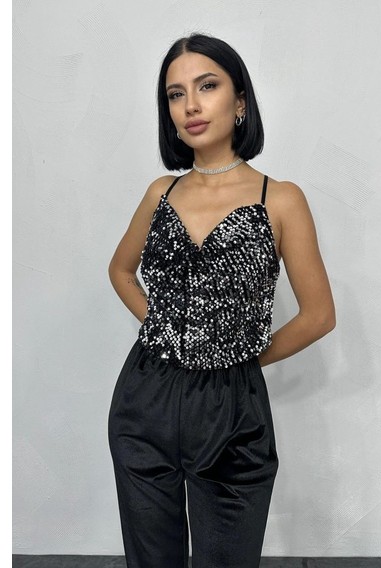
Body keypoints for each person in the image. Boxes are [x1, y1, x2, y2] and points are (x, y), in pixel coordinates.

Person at [107, 33, 336, 568]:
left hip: (233, 407)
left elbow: (319, 315)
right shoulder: (160, 193)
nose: (190, 105)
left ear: (240, 102)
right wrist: (166, 328)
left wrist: (240, 354)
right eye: (175, 94)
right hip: (145, 398)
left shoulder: (280, 199)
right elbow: (120, 270)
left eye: (207, 86)